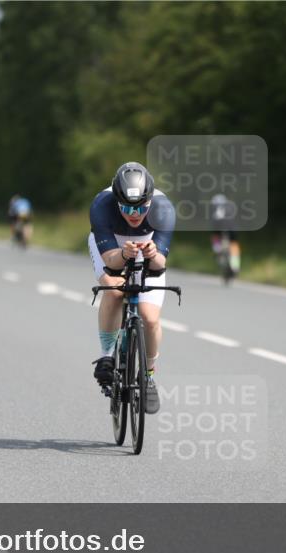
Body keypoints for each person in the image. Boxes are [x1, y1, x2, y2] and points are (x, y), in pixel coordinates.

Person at [88, 162, 175, 414]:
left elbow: (159, 265)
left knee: (149, 317)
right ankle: (106, 355)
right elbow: (111, 262)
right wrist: (124, 255)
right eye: (126, 208)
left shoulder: (163, 208)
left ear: (150, 201)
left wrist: (153, 252)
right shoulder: (101, 206)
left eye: (140, 208)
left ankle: (148, 375)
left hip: (149, 245)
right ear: (117, 201)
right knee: (114, 290)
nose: (133, 214)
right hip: (113, 246)